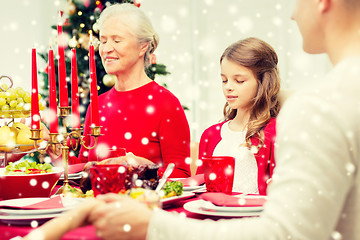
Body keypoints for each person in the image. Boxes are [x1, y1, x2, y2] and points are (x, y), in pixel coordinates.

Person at [23, 0, 360, 239]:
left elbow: (286, 231)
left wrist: (152, 219)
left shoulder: (318, 108)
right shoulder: (331, 100)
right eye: (104, 39)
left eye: (117, 39)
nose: (291, 13)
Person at [69, 3, 191, 177]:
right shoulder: (98, 104)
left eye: (117, 40)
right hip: (100, 203)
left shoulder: (166, 103)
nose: (106, 48)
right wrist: (56, 152)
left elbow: (182, 175)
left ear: (142, 47)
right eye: (103, 41)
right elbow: (84, 168)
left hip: (142, 204)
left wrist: (144, 167)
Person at [196, 37, 280, 195]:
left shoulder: (275, 132)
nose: (228, 87)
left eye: (239, 81)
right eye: (224, 80)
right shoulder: (210, 135)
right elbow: (199, 191)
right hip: (213, 218)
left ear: (263, 82)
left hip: (255, 218)